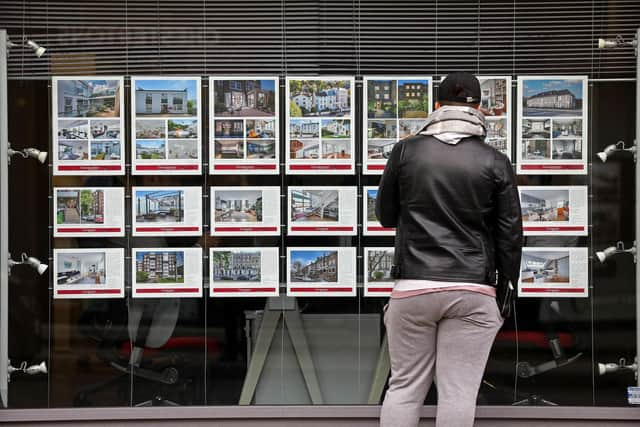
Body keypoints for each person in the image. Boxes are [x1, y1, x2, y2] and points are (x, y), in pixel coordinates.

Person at [377, 72, 523, 427]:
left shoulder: (406, 151)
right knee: (458, 393)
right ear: (480, 109)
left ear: (437, 106)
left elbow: (385, 216)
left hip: (413, 285)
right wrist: (506, 288)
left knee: (405, 388)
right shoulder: (494, 160)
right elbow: (510, 233)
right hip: (472, 287)